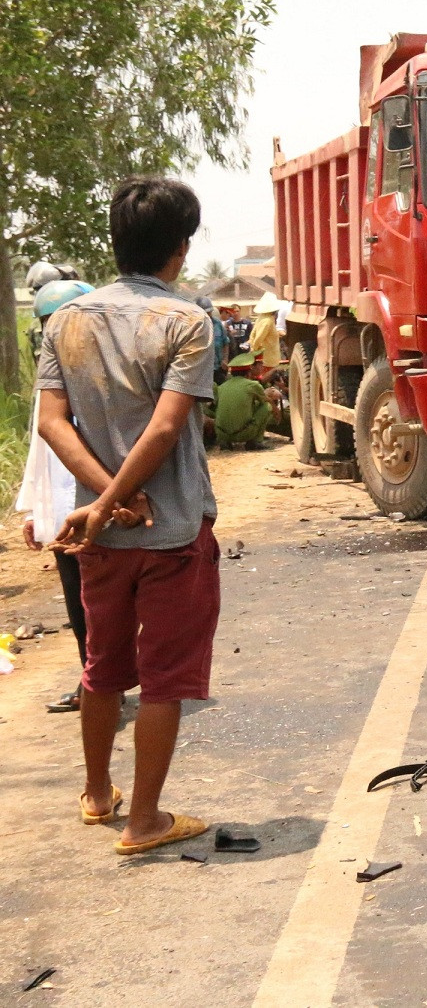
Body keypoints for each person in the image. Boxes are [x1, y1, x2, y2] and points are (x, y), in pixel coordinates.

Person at [35, 176, 221, 854]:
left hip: (99, 536)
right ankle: (144, 819)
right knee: (166, 675)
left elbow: (53, 423)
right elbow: (168, 428)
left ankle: (96, 794)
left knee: (103, 665)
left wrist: (103, 501)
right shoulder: (186, 322)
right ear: (179, 247)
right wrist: (124, 496)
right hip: (172, 532)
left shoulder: (65, 321)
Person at [16, 279, 95, 713]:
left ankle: (100, 686)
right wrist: (38, 514)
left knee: (96, 608)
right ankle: (95, 682)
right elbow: (41, 454)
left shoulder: (94, 380)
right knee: (80, 608)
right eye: (47, 326)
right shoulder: (53, 379)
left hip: (92, 510)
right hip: (65, 517)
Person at [212, 353, 275, 449]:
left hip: (222, 434)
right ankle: (256, 442)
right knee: (267, 407)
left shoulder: (221, 387)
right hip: (243, 434)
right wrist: (276, 410)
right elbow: (265, 402)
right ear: (249, 372)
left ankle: (225, 443)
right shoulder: (253, 385)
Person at [248, 292, 283, 369]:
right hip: (268, 360)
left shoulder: (261, 318)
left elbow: (253, 334)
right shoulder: (268, 321)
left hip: (264, 359)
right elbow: (259, 337)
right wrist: (254, 350)